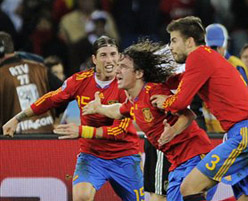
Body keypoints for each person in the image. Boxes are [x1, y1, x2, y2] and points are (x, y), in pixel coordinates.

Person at [3, 35, 144, 201]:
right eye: (103, 55)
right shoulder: (79, 81)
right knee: (81, 197)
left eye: (113, 54)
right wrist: (17, 118)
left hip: (125, 157)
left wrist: (81, 131)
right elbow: (51, 99)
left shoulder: (126, 85)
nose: (109, 60)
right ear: (94, 59)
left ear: (119, 57)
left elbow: (119, 131)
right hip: (92, 157)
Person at [151, 16, 248, 201]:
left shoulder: (197, 56)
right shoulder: (209, 58)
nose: (170, 47)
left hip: (245, 134)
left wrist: (164, 101)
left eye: (174, 40)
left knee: (189, 187)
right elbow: (181, 80)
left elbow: (179, 103)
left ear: (190, 41)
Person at [81, 39, 213, 201]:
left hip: (195, 156)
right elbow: (119, 110)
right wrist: (99, 108)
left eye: (124, 67)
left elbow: (188, 115)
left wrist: (172, 132)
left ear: (139, 73)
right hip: (178, 163)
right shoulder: (134, 100)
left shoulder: (154, 92)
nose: (118, 71)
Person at [0, 31, 55, 134]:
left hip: (14, 140)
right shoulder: (39, 68)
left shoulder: (1, 75)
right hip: (47, 135)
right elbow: (66, 94)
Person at [204, 23, 248, 133]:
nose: (215, 50)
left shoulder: (236, 66)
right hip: (209, 130)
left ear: (226, 44)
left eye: (218, 46)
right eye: (211, 47)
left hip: (234, 129)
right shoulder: (203, 66)